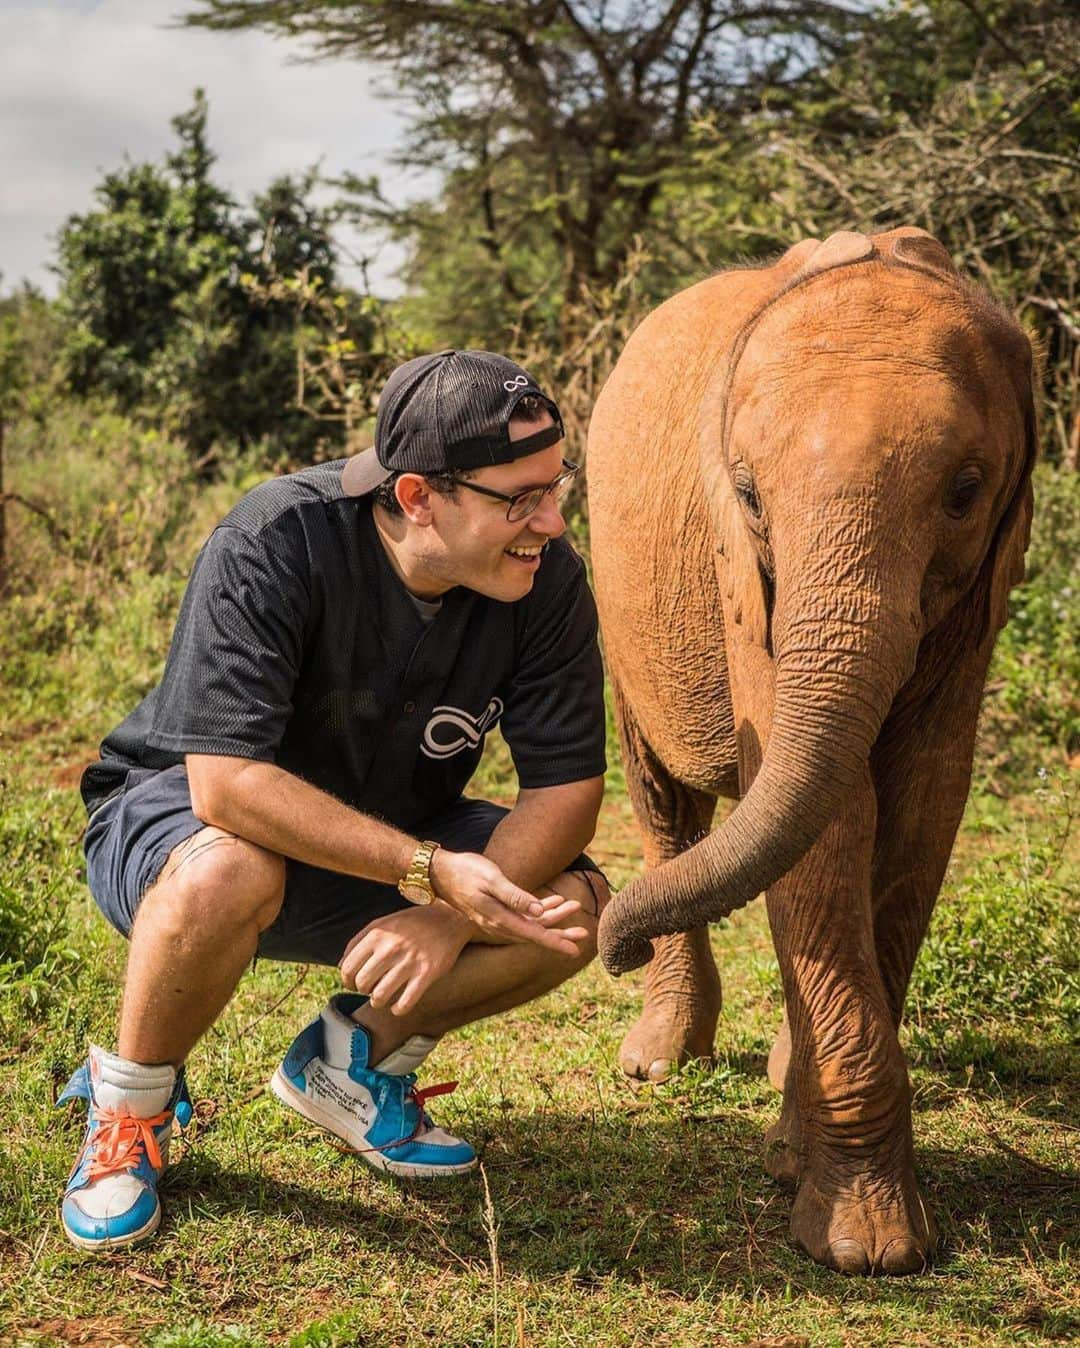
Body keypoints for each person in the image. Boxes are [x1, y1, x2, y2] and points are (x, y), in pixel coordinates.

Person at [61, 350, 609, 1252]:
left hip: (391, 828)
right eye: (519, 498)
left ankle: (347, 1066)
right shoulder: (278, 536)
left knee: (572, 912)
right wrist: (426, 872)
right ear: (418, 495)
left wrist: (442, 915)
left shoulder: (546, 581)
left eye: (556, 486)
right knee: (226, 871)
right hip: (184, 825)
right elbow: (226, 784)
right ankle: (129, 1112)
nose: (550, 522)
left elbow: (567, 790)